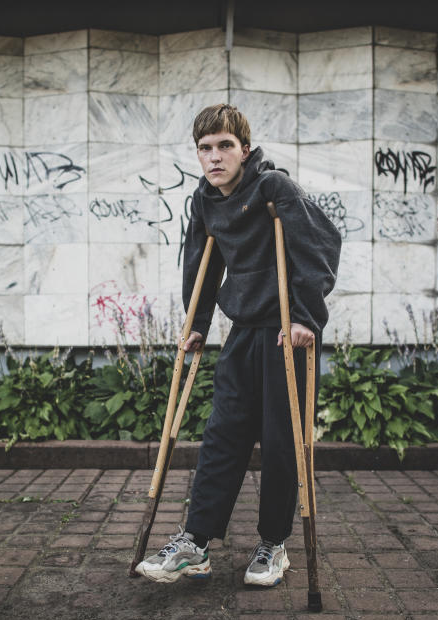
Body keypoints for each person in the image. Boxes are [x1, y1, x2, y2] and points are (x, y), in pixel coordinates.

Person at [134, 104, 342, 587]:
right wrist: (199, 323)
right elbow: (199, 263)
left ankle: (273, 544)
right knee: (222, 435)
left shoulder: (275, 188)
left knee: (280, 442)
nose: (214, 156)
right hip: (244, 331)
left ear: (244, 150)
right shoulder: (204, 200)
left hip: (287, 329)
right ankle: (196, 544)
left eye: (225, 145)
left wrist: (308, 316)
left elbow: (320, 246)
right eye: (205, 148)